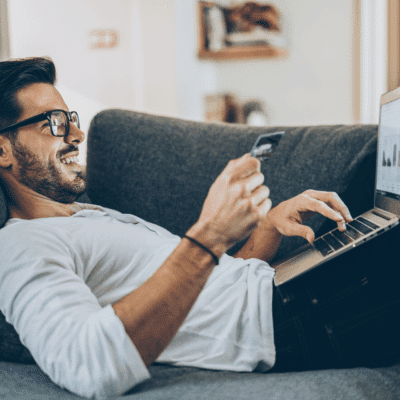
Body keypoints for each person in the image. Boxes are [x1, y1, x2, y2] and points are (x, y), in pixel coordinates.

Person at [0, 57, 398, 399]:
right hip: (290, 319)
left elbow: (208, 298)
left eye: (71, 118)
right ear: (2, 149)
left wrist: (267, 231)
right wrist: (209, 235)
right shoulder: (20, 246)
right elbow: (88, 366)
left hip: (279, 292)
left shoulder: (85, 216)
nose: (77, 134)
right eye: (53, 123)